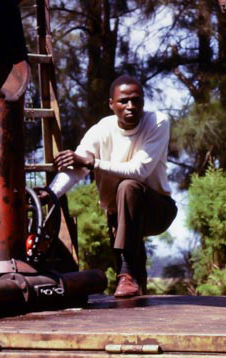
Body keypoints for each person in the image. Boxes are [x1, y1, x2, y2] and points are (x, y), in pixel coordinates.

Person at [53, 74, 175, 298]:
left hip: (157, 210)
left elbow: (139, 171)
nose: (130, 106)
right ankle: (133, 287)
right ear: (111, 104)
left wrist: (92, 163)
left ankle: (126, 274)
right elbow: (76, 168)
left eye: (136, 100)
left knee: (128, 186)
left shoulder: (157, 122)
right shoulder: (102, 129)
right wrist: (51, 194)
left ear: (143, 102)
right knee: (133, 289)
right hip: (119, 215)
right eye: (123, 101)